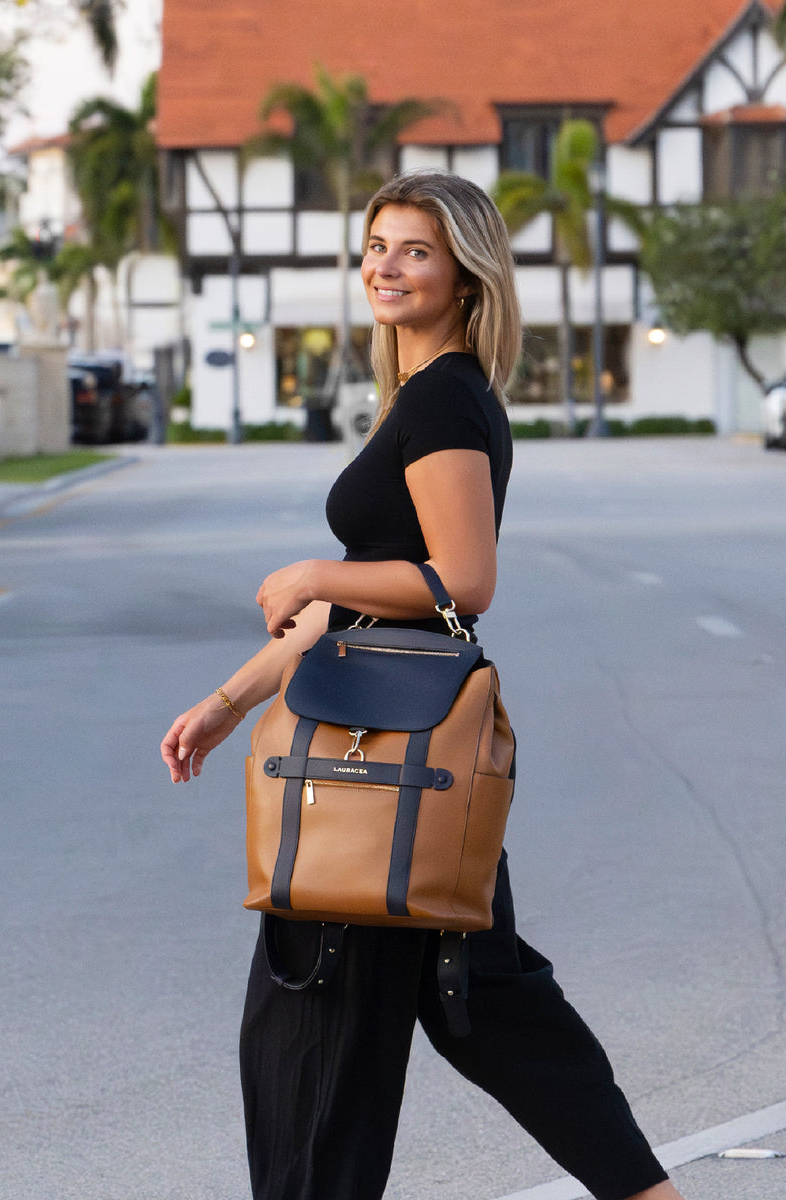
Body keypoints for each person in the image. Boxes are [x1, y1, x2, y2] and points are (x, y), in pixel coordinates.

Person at [161, 171, 687, 1200]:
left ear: (463, 276)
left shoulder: (444, 397)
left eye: (414, 251)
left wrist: (314, 570)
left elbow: (458, 582)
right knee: (481, 1000)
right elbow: (357, 618)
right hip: (388, 742)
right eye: (376, 245)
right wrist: (228, 703)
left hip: (379, 764)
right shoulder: (420, 396)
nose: (385, 266)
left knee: (310, 1033)